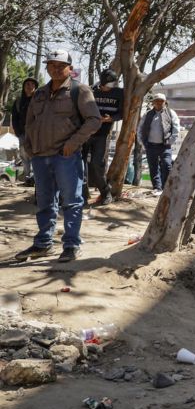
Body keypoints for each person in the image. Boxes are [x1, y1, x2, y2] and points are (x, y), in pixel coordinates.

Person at [16, 51, 101, 262]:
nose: (54, 68)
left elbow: (94, 120)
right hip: (40, 156)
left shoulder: (79, 90)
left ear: (69, 68)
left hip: (66, 157)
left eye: (60, 65)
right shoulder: (39, 94)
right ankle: (43, 243)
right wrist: (29, 146)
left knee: (72, 202)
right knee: (44, 202)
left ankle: (71, 245)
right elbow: (29, 122)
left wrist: (72, 144)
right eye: (51, 64)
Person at [85, 69, 124, 205]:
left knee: (97, 164)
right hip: (85, 133)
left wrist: (110, 118)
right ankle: (83, 195)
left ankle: (105, 193)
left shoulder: (119, 93)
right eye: (109, 84)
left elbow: (122, 113)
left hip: (102, 135)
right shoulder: (91, 91)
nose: (112, 87)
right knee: (80, 164)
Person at [138, 93, 180, 193]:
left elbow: (176, 127)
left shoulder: (170, 113)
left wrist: (171, 140)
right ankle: (157, 188)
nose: (159, 103)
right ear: (153, 103)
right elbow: (140, 128)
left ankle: (166, 188)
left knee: (167, 165)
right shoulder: (147, 114)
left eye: (161, 101)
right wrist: (141, 142)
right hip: (150, 145)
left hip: (165, 146)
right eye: (157, 101)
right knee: (153, 167)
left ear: (165, 102)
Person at [10, 77, 38, 184]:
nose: (29, 86)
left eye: (32, 84)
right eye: (27, 84)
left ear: (35, 87)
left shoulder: (39, 100)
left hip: (36, 134)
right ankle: (28, 179)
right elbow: (15, 117)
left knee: (36, 156)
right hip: (22, 133)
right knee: (24, 156)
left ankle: (36, 179)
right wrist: (18, 132)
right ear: (24, 87)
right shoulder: (18, 101)